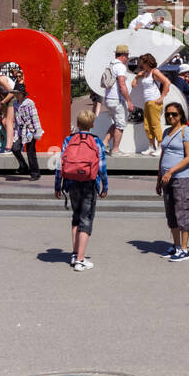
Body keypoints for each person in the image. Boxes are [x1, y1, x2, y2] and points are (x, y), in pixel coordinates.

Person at [54, 109, 109, 271]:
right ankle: (80, 259)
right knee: (86, 219)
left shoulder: (69, 139)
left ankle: (74, 253)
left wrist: (58, 185)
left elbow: (60, 164)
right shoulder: (97, 142)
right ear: (92, 124)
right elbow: (101, 167)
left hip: (71, 182)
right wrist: (104, 186)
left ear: (77, 124)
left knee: (76, 217)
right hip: (89, 183)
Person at [157, 102, 189, 261]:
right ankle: (176, 245)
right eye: (168, 114)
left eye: (174, 114)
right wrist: (159, 177)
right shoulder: (166, 131)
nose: (171, 117)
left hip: (182, 178)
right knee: (171, 213)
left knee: (183, 211)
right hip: (166, 179)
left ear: (181, 116)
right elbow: (163, 155)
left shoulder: (185, 131)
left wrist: (171, 171)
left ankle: (185, 249)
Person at [133, 53, 171, 156]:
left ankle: (160, 146)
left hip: (154, 101)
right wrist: (136, 78)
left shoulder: (155, 72)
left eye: (143, 63)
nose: (141, 65)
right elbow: (136, 79)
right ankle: (151, 146)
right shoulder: (146, 72)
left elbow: (167, 82)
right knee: (147, 125)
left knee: (155, 124)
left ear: (147, 62)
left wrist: (162, 97)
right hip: (147, 101)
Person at [101, 45, 134, 156]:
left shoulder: (111, 64)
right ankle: (115, 150)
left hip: (109, 98)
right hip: (117, 99)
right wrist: (128, 100)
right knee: (120, 125)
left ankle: (104, 143)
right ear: (123, 55)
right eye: (127, 56)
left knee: (116, 123)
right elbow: (121, 84)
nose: (127, 58)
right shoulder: (120, 67)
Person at [10, 84, 42, 179]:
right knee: (15, 148)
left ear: (23, 94)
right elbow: (16, 118)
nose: (16, 95)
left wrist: (37, 132)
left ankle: (35, 173)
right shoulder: (15, 103)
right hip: (20, 130)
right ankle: (23, 166)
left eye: (18, 93)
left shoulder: (29, 103)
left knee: (30, 152)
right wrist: (15, 131)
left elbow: (34, 117)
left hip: (30, 130)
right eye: (15, 93)